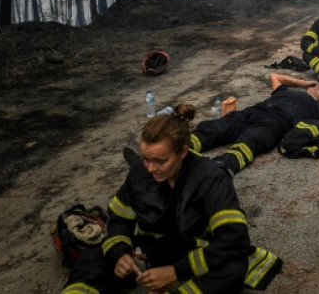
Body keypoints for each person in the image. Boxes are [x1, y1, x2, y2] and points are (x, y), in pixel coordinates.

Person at [61, 110, 282, 294]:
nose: (150, 168)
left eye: (160, 161)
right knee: (92, 259)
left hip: (190, 254)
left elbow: (234, 240)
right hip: (152, 251)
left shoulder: (212, 179)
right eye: (146, 159)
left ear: (183, 152)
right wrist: (120, 255)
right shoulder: (140, 172)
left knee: (233, 269)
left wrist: (176, 272)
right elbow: (118, 219)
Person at [189, 73, 319, 174]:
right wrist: (304, 83)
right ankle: (184, 146)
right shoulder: (288, 92)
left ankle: (220, 167)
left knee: (251, 140)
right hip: (256, 110)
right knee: (218, 127)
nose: (318, 87)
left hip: (276, 121)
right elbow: (274, 77)